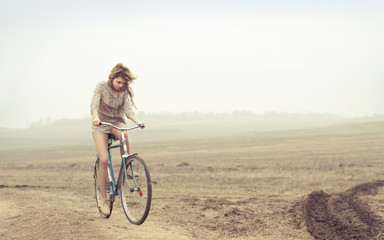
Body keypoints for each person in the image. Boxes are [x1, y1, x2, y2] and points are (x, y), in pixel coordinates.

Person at [90, 63, 145, 215]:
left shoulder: (124, 92)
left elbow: (127, 111)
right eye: (118, 82)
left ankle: (126, 166)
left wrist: (137, 121)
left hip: (116, 122)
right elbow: (94, 106)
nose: (121, 85)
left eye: (123, 83)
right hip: (101, 124)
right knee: (104, 160)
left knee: (124, 134)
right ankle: (103, 199)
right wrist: (95, 118)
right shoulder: (101, 87)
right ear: (112, 78)